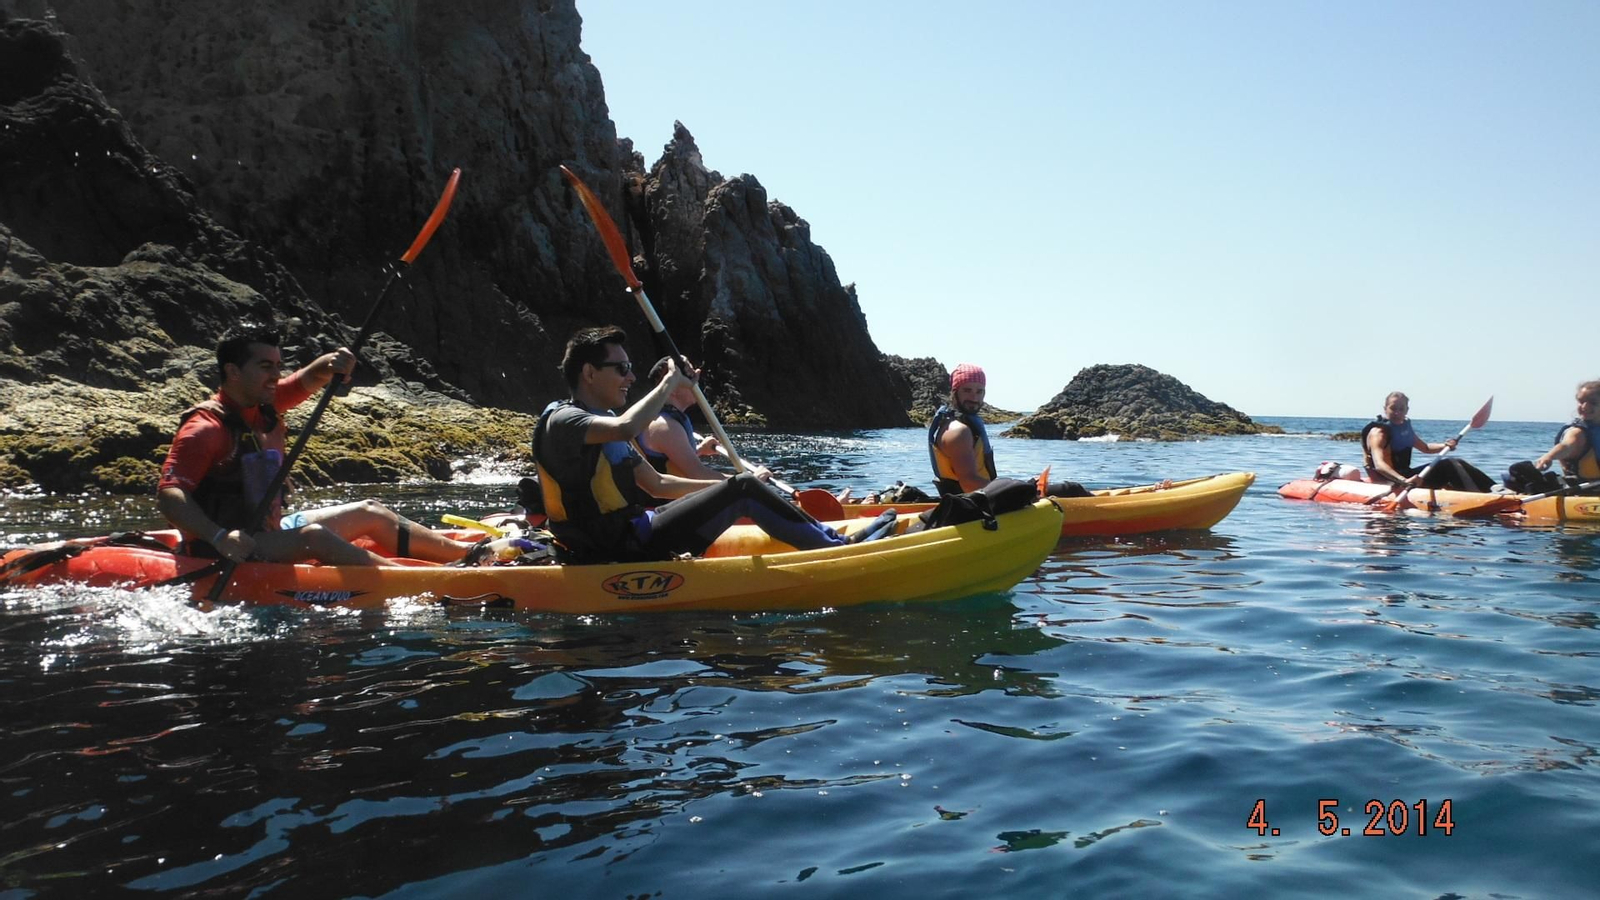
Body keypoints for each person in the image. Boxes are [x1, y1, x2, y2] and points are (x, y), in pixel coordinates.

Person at [157, 323, 477, 566]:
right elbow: (170, 495)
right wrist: (219, 537)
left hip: (269, 529)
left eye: (278, 366)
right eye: (265, 367)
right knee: (313, 538)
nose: (275, 375)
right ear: (233, 372)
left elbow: (305, 380)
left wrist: (331, 365)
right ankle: (417, 579)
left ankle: (470, 555)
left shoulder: (261, 403)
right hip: (231, 546)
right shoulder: (205, 428)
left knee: (371, 512)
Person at [532, 326, 847, 564]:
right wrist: (670, 380)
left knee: (742, 487)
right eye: (622, 369)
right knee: (745, 489)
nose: (630, 378)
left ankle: (832, 538)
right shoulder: (564, 420)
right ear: (589, 372)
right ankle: (836, 553)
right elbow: (627, 426)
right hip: (612, 548)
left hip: (635, 531)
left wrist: (722, 490)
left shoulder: (601, 422)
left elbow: (658, 484)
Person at [928, 363, 1090, 498]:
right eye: (967, 390)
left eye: (979, 391)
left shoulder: (956, 425)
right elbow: (970, 484)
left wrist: (1019, 486)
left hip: (978, 500)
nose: (974, 398)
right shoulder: (958, 431)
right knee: (1071, 490)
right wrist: (1019, 490)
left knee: (1056, 488)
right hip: (974, 507)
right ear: (954, 392)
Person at [637, 356, 771, 482]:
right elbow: (698, 476)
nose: (697, 376)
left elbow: (674, 461)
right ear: (672, 388)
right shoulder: (665, 427)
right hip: (667, 506)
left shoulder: (668, 422)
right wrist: (751, 481)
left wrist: (699, 450)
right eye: (690, 375)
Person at [1361, 391, 1496, 493]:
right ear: (1385, 409)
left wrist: (1445, 445)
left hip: (1407, 477)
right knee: (1449, 464)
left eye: (1401, 409)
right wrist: (1404, 481)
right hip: (1388, 480)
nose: (1397, 412)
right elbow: (1379, 465)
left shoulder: (1404, 428)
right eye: (1393, 408)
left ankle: (1493, 489)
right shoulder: (1378, 433)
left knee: (1456, 463)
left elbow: (1425, 448)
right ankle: (1486, 494)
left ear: (1407, 410)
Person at [1527, 379, 1600, 490]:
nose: (1584, 406)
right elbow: (1566, 446)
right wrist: (1549, 456)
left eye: (1593, 403)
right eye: (1581, 401)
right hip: (1582, 490)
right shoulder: (1578, 432)